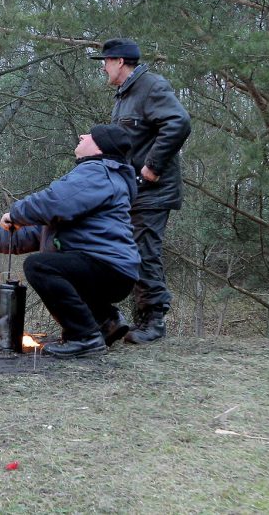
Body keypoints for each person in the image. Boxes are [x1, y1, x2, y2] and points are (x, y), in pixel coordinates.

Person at [0, 124, 141, 358]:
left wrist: (16, 213)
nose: (82, 135)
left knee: (40, 265)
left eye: (90, 135)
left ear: (101, 148)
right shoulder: (99, 177)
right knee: (56, 265)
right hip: (111, 270)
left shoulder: (98, 173)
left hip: (107, 268)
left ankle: (85, 337)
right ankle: (106, 321)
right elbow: (42, 231)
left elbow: (53, 203)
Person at [91, 38, 191, 344]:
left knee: (145, 251)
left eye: (105, 61)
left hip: (153, 191)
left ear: (119, 61)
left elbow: (179, 123)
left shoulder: (151, 87)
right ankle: (135, 320)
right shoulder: (124, 95)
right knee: (128, 251)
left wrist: (152, 167)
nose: (103, 67)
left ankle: (154, 321)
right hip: (131, 191)